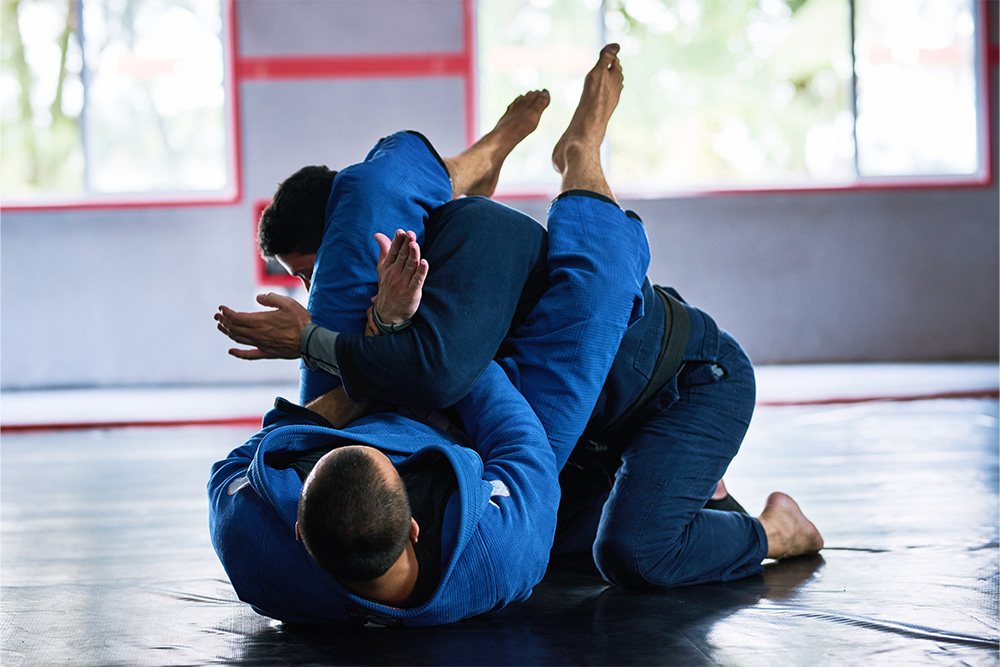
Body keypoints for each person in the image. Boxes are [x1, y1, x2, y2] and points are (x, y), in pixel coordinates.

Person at [217, 44, 823, 591]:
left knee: (637, 553)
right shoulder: (487, 545)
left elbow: (439, 374)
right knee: (555, 537)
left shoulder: (451, 243)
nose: (313, 290)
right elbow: (443, 378)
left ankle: (777, 530)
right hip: (579, 415)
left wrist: (339, 339)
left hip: (685, 379)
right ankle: (693, 489)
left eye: (317, 272)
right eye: (306, 280)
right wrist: (373, 337)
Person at [209, 44, 651, 626]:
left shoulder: (253, 540)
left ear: (298, 525)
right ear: (415, 527)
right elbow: (520, 444)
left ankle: (473, 163)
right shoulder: (499, 554)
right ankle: (581, 156)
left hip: (355, 390)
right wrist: (404, 336)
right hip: (478, 409)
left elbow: (247, 457)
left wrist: (366, 358)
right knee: (595, 296)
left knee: (364, 197)